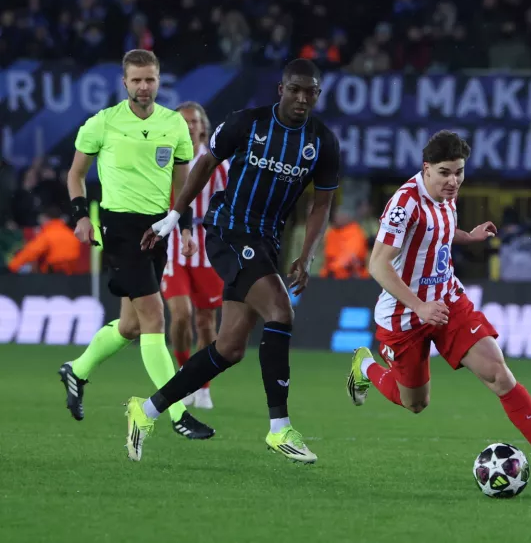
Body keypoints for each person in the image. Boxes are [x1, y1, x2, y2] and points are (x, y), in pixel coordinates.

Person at [123, 58, 340, 464]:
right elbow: (206, 163)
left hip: (266, 241)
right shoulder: (247, 122)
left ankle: (146, 410)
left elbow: (321, 204)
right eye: (294, 89)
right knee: (281, 312)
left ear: (317, 95)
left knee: (229, 348)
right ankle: (280, 429)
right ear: (281, 89)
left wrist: (306, 256)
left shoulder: (322, 142)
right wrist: (175, 215)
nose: (300, 97)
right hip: (229, 230)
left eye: (309, 91)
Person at [345, 130, 531, 477]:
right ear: (426, 168)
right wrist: (419, 307)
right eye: (444, 172)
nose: (453, 180)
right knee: (415, 403)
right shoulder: (404, 203)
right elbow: (378, 264)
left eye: (459, 172)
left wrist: (467, 236)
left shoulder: (447, 195)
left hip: (448, 300)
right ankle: (365, 367)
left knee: (498, 374)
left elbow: (437, 231)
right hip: (404, 314)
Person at [59, 49, 214, 440]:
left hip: (158, 230)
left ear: (159, 82)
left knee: (130, 325)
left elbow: (183, 183)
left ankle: (76, 370)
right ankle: (177, 411)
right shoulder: (103, 123)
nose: (144, 87)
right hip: (119, 228)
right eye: (137, 80)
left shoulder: (174, 126)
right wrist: (81, 216)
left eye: (150, 80)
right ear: (124, 83)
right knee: (154, 318)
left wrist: (188, 226)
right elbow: (76, 174)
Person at [161, 101, 230, 410]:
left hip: (208, 250)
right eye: (184, 121)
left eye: (195, 121)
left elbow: (231, 203)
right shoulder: (164, 158)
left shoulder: (217, 163)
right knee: (180, 316)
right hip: (173, 248)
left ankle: (202, 385)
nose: (190, 126)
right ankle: (183, 372)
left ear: (204, 126)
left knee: (205, 323)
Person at [4, 204, 81, 275]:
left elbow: (31, 251)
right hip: (71, 274)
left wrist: (12, 267)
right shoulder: (71, 234)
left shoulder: (48, 234)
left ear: (46, 218)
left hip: (54, 271)